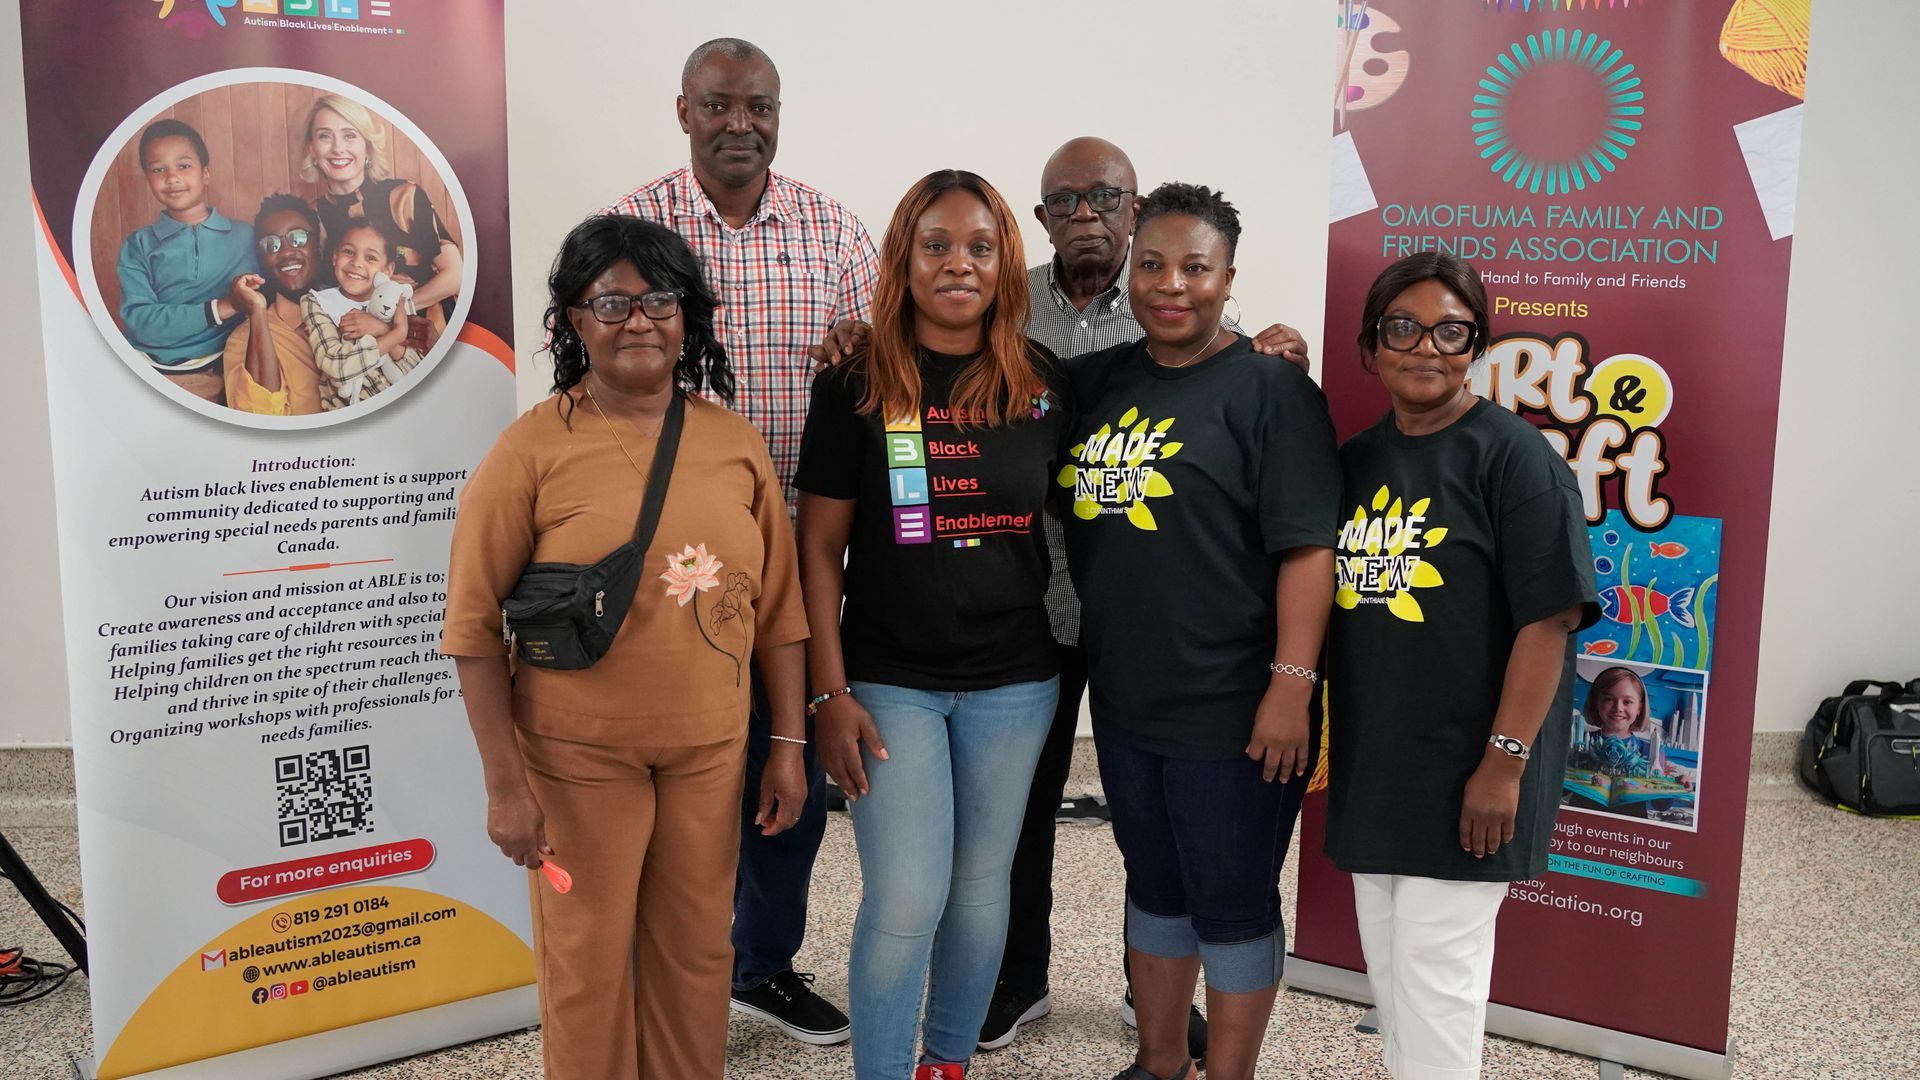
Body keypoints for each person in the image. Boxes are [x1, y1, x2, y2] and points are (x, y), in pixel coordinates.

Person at [441, 214, 810, 1079]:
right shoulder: (531, 448)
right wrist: (505, 787)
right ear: (573, 320)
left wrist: (787, 746)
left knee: (696, 957)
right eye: (611, 301)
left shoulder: (732, 443)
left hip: (709, 754)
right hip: (576, 759)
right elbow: (471, 628)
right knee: (587, 967)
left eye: (659, 300)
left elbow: (782, 613)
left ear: (688, 318)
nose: (638, 319)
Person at [605, 36, 878, 1045]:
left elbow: (880, 379)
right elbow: (587, 373)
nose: (739, 125)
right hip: (667, 560)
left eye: (758, 106)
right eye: (719, 105)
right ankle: (662, 971)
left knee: (786, 776)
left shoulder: (836, 231)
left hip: (800, 561)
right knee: (672, 780)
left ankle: (761, 965)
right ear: (684, 111)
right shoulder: (633, 228)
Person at [1057, 183, 1340, 1080]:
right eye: (1152, 264)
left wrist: (1291, 687)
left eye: (1195, 268)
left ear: (1228, 279)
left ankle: (1230, 1073)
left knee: (1232, 899)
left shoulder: (1272, 392)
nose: (1170, 284)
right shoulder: (1100, 382)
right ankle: (1157, 1061)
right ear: (1130, 270)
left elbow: (1308, 552)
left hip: (1240, 705)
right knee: (1155, 886)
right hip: (1131, 696)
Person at [794, 169, 1064, 1080]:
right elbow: (817, 549)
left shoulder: (1043, 385)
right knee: (908, 894)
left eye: (980, 248)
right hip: (888, 681)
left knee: (982, 892)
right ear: (903, 259)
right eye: (937, 245)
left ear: (1005, 263)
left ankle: (946, 1062)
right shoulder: (855, 384)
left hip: (1017, 682)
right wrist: (829, 691)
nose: (959, 264)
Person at [1323, 251, 1599, 1080]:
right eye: (1402, 328)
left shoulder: (1516, 460)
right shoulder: (1359, 460)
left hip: (1475, 768)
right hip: (1380, 761)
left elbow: (1549, 622)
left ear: (1476, 343)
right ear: (1372, 345)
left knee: (1438, 978)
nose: (1426, 348)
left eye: (1451, 330)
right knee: (1391, 969)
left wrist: (1503, 766)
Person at [116, 118, 256, 403]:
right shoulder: (137, 245)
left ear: (206, 174)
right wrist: (221, 308)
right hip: (142, 367)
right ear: (148, 179)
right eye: (158, 169)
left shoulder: (246, 237)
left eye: (183, 166)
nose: (172, 177)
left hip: (216, 366)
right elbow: (140, 322)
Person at [304, 93, 463, 325]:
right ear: (312, 150)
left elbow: (455, 275)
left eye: (349, 135)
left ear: (367, 147)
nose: (338, 148)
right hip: (353, 337)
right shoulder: (313, 216)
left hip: (427, 326)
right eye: (325, 136)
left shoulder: (404, 197)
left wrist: (391, 315)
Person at [222, 194, 325, 415]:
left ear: (317, 244)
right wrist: (258, 314)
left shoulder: (350, 314)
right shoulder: (244, 338)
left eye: (298, 238)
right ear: (261, 258)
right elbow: (259, 417)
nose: (286, 251)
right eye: (271, 244)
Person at [299, 221, 420, 408]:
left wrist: (381, 329)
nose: (356, 262)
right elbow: (335, 365)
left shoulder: (399, 301)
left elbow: (418, 371)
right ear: (334, 257)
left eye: (370, 257)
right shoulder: (318, 302)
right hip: (351, 418)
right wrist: (396, 334)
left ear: (387, 270)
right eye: (348, 252)